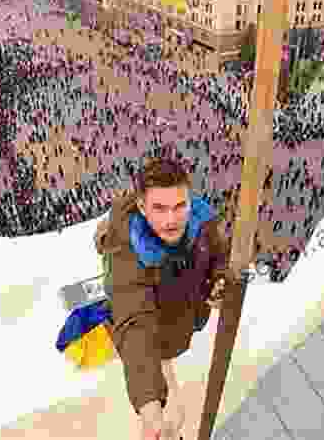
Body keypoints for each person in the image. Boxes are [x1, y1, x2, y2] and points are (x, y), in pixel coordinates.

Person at [95, 157, 230, 440]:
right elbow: (135, 323)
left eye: (180, 206)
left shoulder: (203, 222)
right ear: (142, 208)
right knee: (170, 415)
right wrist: (150, 408)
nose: (171, 219)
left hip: (180, 318)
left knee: (172, 403)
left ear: (190, 201)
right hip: (153, 329)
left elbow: (218, 254)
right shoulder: (126, 251)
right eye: (159, 208)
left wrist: (218, 281)